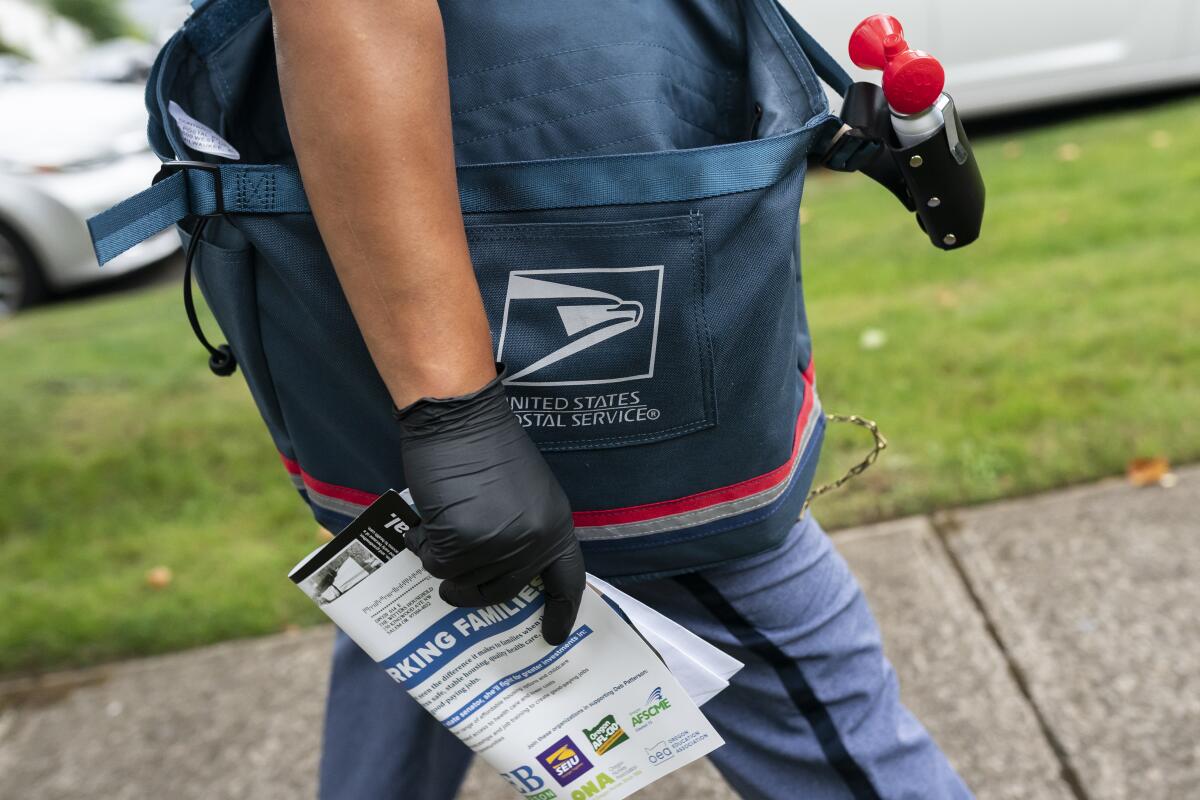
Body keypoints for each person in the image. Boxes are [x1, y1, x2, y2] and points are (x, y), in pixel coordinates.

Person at [268, 1, 974, 798]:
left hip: (555, 190)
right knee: (765, 628)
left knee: (422, 598)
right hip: (530, 253)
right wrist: (452, 409)